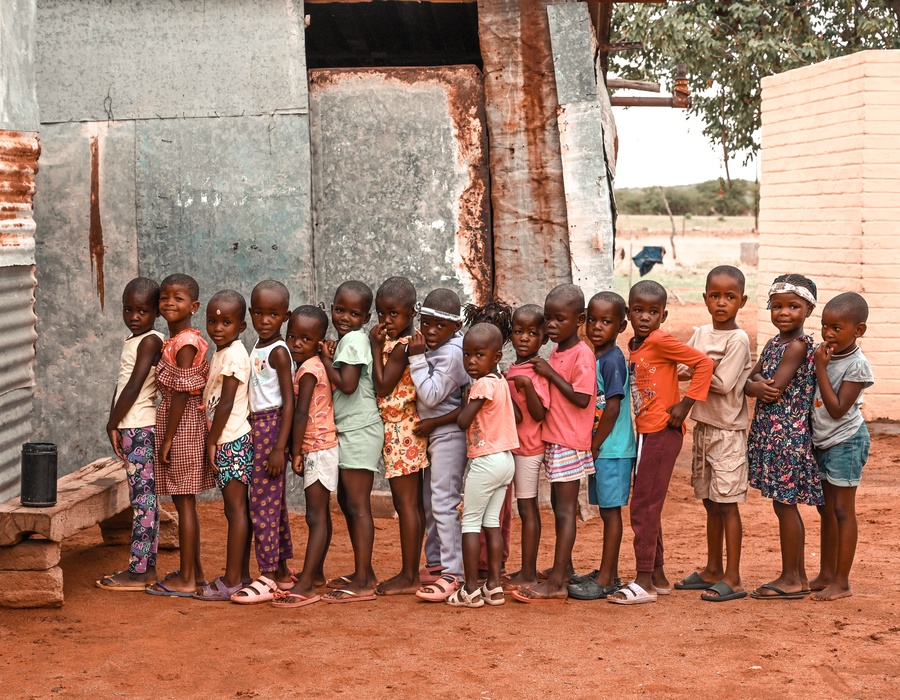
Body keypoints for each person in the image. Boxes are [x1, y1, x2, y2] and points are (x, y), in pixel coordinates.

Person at [608, 280, 713, 606]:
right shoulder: (636, 345)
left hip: (662, 433)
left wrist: (686, 405)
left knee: (643, 506)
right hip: (647, 432)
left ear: (663, 315)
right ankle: (658, 576)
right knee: (647, 502)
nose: (644, 317)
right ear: (629, 312)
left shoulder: (660, 340)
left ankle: (643, 583)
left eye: (653, 312)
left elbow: (704, 363)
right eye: (638, 310)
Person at [513, 284, 597, 603]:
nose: (551, 325)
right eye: (548, 318)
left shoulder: (582, 354)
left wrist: (550, 374)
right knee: (560, 509)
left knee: (564, 512)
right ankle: (566, 568)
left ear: (580, 319)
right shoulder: (559, 350)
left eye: (559, 319)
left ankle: (558, 582)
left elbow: (581, 397)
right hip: (555, 438)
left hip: (569, 442)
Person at [673, 266, 752, 603]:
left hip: (728, 434)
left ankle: (732, 577)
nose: (722, 303)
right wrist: (696, 366)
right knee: (709, 501)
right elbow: (678, 367)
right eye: (715, 296)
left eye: (730, 297)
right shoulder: (703, 333)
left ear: (742, 301)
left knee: (728, 504)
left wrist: (698, 367)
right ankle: (712, 569)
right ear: (705, 299)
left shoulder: (738, 339)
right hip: (704, 429)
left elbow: (721, 384)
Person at [746, 274, 822, 600]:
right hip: (774, 434)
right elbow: (752, 379)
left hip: (787, 436)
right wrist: (754, 386)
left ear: (808, 309)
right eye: (777, 306)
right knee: (782, 505)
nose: (784, 312)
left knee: (786, 505)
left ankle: (792, 577)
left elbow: (771, 388)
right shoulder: (772, 343)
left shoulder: (798, 345)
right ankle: (798, 577)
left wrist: (755, 386)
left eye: (793, 306)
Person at [146, 274, 214, 597]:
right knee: (182, 499)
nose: (170, 303)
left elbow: (182, 393)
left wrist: (169, 438)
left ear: (194, 306)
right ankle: (196, 572)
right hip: (178, 422)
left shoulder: (186, 343)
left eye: (179, 298)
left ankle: (187, 579)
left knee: (185, 503)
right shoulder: (175, 341)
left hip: (182, 425)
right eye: (164, 298)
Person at [97, 278, 164, 591]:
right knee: (146, 499)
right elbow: (121, 384)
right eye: (128, 309)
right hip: (130, 424)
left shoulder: (151, 340)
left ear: (156, 314)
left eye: (143, 311)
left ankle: (138, 571)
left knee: (143, 502)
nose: (135, 316)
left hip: (138, 427)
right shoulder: (134, 340)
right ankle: (146, 569)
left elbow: (134, 387)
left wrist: (113, 423)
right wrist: (113, 421)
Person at [568, 291, 636, 601]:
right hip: (602, 449)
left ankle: (608, 577)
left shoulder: (613, 360)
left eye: (606, 321)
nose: (597, 327)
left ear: (621, 326)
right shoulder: (594, 356)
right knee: (605, 510)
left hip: (612, 450)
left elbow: (612, 408)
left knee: (610, 514)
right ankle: (606, 570)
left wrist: (594, 445)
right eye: (593, 320)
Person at [231, 280, 296, 604]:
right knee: (271, 501)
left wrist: (278, 448)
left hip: (272, 427)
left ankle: (267, 575)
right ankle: (281, 571)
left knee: (262, 505)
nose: (265, 319)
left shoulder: (280, 353)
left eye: (273, 313)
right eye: (259, 312)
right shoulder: (258, 346)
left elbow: (288, 403)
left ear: (285, 315)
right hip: (258, 426)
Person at [447, 324, 518, 607]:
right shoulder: (501, 381)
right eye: (467, 355)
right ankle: (494, 586)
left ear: (497, 355)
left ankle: (470, 589)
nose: (471, 361)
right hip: (506, 461)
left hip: (486, 461)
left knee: (471, 524)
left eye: (479, 355)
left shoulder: (483, 384)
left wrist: (466, 402)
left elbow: (464, 421)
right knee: (492, 523)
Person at [273, 305, 339, 608]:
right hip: (319, 445)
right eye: (292, 337)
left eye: (305, 339)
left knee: (315, 516)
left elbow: (300, 413)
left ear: (319, 342)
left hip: (318, 447)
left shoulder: (310, 369)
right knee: (320, 514)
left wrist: (295, 450)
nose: (296, 344)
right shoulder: (311, 365)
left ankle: (306, 586)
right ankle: (316, 575)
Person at [320, 281, 381, 602]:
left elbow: (346, 384)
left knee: (357, 506)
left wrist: (325, 359)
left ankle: (363, 581)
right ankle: (365, 572)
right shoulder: (349, 339)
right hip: (350, 429)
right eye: (339, 309)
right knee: (347, 501)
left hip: (360, 430)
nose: (344, 317)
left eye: (354, 313)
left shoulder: (354, 339)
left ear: (366, 317)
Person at [809, 292, 873, 602]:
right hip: (823, 441)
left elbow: (836, 409)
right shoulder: (826, 353)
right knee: (825, 510)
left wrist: (821, 367)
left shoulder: (857, 365)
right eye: (824, 326)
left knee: (842, 511)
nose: (828, 334)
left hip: (847, 441)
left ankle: (842, 582)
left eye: (837, 328)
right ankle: (825, 574)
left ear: (858, 330)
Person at [370, 277, 430, 596]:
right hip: (405, 428)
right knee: (411, 505)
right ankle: (410, 571)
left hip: (401, 430)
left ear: (412, 312)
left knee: (405, 504)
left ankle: (409, 575)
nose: (386, 321)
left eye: (393, 314)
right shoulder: (407, 344)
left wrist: (373, 345)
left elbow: (382, 386)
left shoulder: (402, 348)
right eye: (381, 314)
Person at [411, 289, 471, 602]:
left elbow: (432, 395)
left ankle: (453, 573)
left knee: (444, 502)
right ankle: (436, 563)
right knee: (431, 502)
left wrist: (417, 357)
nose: (432, 331)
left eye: (440, 326)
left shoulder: (452, 353)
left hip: (449, 436)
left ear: (455, 327)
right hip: (433, 435)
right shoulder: (442, 346)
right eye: (427, 323)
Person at [195, 290, 254, 602]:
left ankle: (232, 579)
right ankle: (240, 574)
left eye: (227, 322)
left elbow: (227, 402)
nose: (217, 327)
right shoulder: (223, 351)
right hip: (228, 439)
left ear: (241, 326)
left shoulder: (233, 355)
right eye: (212, 321)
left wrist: (211, 440)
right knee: (235, 511)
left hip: (231, 440)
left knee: (236, 510)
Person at [501, 304, 550, 591]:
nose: (524, 338)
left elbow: (539, 413)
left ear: (543, 338)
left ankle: (529, 572)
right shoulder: (513, 368)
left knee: (528, 508)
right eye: (519, 332)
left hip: (530, 449)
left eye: (532, 333)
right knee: (520, 507)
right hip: (513, 447)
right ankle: (524, 568)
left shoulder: (536, 371)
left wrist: (527, 386)